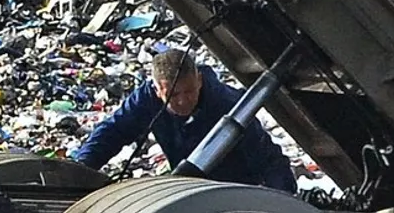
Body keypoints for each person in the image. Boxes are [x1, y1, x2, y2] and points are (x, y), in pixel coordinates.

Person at [72, 46, 297, 192]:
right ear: (157, 90)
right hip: (187, 187)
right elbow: (113, 132)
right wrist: (80, 170)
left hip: (233, 189)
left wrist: (285, 200)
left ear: (199, 80)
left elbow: (269, 158)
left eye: (189, 91)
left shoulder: (227, 104)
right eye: (172, 95)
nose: (182, 101)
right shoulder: (146, 99)